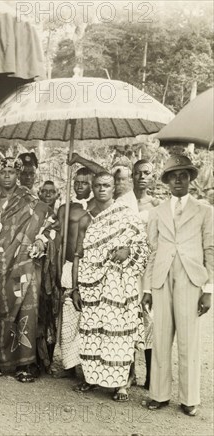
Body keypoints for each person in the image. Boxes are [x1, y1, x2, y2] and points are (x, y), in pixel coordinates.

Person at [0, 157, 57, 383]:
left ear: (18, 174)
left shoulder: (32, 201)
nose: (7, 175)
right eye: (4, 171)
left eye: (12, 171)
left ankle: (25, 365)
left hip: (25, 267)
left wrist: (41, 242)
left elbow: (51, 224)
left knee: (27, 314)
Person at [143, 155, 213, 417]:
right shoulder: (157, 211)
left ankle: (189, 398)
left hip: (191, 278)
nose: (179, 179)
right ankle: (159, 395)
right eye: (174, 175)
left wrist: (208, 290)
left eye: (184, 175)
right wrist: (148, 289)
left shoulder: (204, 210)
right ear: (167, 181)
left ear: (190, 178)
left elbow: (210, 250)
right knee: (160, 337)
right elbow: (152, 251)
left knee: (188, 339)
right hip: (162, 278)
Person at [71, 172, 148, 402]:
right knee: (92, 332)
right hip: (91, 283)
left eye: (106, 185)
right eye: (97, 186)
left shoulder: (127, 215)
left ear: (114, 188)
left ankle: (122, 383)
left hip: (119, 284)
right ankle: (92, 377)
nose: (101, 189)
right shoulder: (86, 219)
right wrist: (75, 288)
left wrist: (128, 252)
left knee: (120, 332)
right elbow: (78, 255)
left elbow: (143, 246)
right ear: (92, 189)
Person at [53, 167, 94, 380]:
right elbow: (57, 233)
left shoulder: (100, 206)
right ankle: (69, 365)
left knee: (89, 318)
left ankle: (89, 367)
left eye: (85, 182)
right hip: (70, 264)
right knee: (69, 314)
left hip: (92, 266)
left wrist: (79, 160)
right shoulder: (65, 208)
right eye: (77, 181)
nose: (79, 185)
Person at [132, 159, 160, 389]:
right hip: (126, 270)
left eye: (147, 173)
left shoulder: (157, 206)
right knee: (127, 319)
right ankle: (128, 372)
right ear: (132, 175)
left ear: (152, 177)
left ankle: (151, 375)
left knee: (149, 320)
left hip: (147, 269)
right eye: (138, 173)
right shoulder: (124, 202)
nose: (142, 177)